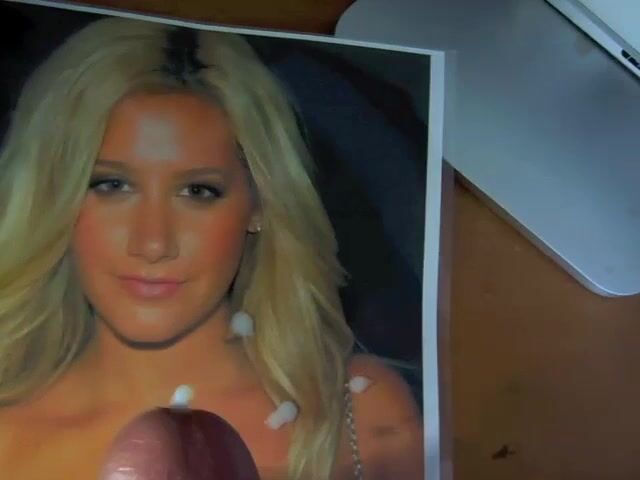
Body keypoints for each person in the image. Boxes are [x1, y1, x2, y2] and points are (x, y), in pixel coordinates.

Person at [0, 16, 423, 480]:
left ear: (259, 203)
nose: (153, 243)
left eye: (198, 191)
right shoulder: (9, 436)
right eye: (111, 185)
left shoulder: (360, 415)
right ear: (54, 199)